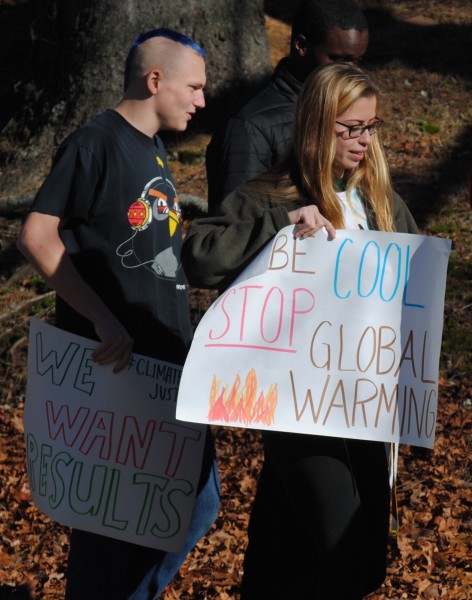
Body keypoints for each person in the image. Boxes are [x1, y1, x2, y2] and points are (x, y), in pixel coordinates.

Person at [181, 62, 419, 599]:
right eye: (349, 128)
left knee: (325, 562)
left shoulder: (380, 201)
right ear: (316, 125)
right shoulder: (270, 196)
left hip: (366, 406)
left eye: (371, 127)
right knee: (348, 556)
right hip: (299, 407)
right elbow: (197, 259)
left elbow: (413, 282)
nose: (363, 140)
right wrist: (279, 227)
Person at [17, 28, 220, 600]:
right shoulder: (95, 143)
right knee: (109, 529)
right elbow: (36, 236)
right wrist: (102, 318)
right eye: (194, 87)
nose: (201, 101)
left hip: (163, 365)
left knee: (195, 503)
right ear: (155, 81)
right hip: (114, 369)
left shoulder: (152, 149)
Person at [205, 0, 369, 213]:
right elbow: (234, 224)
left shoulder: (352, 112)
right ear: (301, 46)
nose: (348, 71)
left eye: (356, 61)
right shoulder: (250, 127)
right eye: (338, 59)